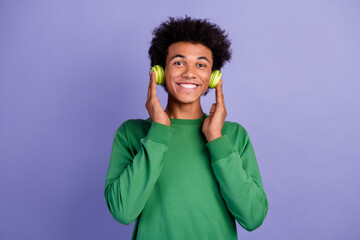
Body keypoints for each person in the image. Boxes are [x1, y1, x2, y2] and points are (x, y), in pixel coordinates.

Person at [104, 15, 268, 240]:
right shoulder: (131, 133)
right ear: (160, 72)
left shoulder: (234, 136)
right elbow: (122, 211)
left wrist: (216, 140)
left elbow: (253, 217)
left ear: (213, 77)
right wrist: (159, 131)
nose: (189, 73)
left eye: (201, 65)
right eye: (179, 62)